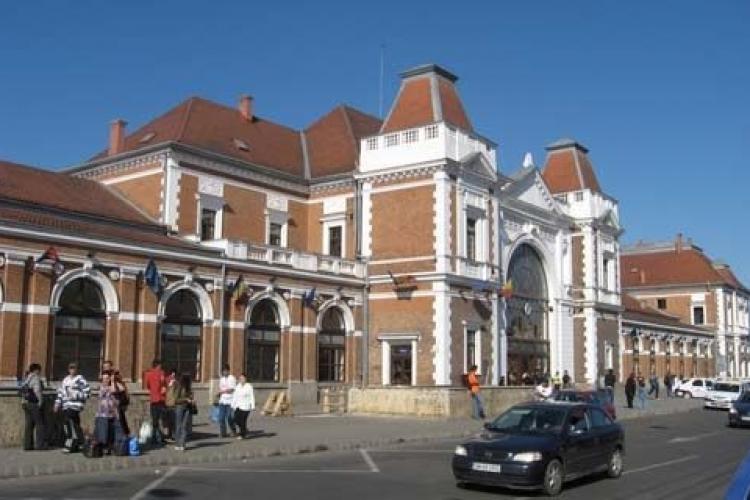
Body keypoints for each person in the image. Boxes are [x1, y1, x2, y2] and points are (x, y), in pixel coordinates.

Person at [54, 363, 90, 453]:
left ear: (77, 369)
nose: (72, 370)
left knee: (68, 421)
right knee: (75, 424)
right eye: (71, 368)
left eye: (74, 368)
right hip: (66, 405)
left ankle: (70, 442)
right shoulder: (65, 380)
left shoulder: (80, 379)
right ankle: (81, 442)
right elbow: (61, 392)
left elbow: (87, 393)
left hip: (75, 405)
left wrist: (75, 395)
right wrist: (57, 403)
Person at [95, 371, 122, 454]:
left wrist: (114, 380)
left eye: (107, 378)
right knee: (104, 433)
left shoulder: (113, 385)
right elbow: (113, 390)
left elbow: (121, 389)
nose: (106, 380)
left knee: (111, 432)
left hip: (112, 414)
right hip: (103, 414)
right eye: (104, 378)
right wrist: (113, 382)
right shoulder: (102, 387)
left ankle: (110, 448)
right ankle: (104, 448)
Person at [21, 362, 46, 451]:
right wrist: (40, 402)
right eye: (39, 370)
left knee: (29, 424)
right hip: (34, 404)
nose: (40, 372)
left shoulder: (26, 378)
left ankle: (27, 445)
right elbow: (37, 391)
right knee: (39, 424)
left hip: (25, 403)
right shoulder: (35, 378)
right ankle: (40, 445)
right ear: (36, 370)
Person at [144, 359, 166, 445]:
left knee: (154, 420)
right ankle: (161, 437)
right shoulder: (161, 373)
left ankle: (154, 437)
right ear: (158, 365)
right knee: (161, 419)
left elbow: (147, 385)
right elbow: (163, 384)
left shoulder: (148, 374)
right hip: (160, 399)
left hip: (153, 399)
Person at [173, 373, 194, 451]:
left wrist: (192, 399)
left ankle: (182, 444)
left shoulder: (189, 388)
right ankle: (177, 444)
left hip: (187, 407)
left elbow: (191, 396)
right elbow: (176, 399)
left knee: (184, 426)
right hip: (180, 407)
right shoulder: (179, 387)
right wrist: (186, 399)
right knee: (178, 425)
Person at [231, 374, 255, 439]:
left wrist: (252, 406)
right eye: (240, 379)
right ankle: (244, 429)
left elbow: (252, 396)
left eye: (243, 379)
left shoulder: (249, 386)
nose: (241, 380)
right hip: (238, 406)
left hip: (246, 407)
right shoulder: (238, 386)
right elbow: (235, 396)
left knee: (243, 421)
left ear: (245, 379)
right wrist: (233, 405)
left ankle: (242, 435)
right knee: (235, 419)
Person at [217, 364, 237, 437]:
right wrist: (219, 394)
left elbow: (232, 389)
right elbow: (220, 388)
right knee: (221, 418)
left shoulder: (232, 378)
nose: (224, 372)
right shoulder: (222, 379)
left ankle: (233, 430)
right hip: (222, 401)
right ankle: (223, 433)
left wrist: (223, 391)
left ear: (228, 371)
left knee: (229, 417)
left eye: (226, 371)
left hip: (230, 401)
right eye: (223, 371)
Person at [112, 370, 130, 436]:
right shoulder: (113, 384)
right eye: (116, 374)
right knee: (120, 422)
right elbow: (114, 391)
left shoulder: (121, 384)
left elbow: (126, 394)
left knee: (122, 422)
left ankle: (124, 435)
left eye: (118, 374)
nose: (117, 376)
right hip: (117, 407)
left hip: (121, 406)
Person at [163, 368, 177, 442]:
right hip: (170, 403)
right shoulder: (169, 380)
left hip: (169, 403)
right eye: (172, 373)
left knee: (170, 421)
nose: (173, 375)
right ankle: (171, 435)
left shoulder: (174, 381)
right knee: (171, 421)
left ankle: (170, 435)